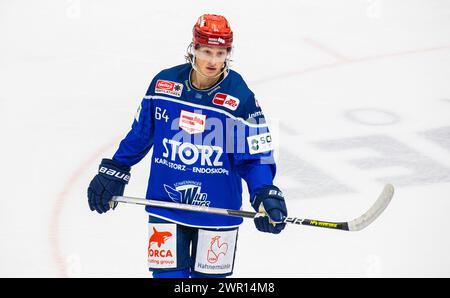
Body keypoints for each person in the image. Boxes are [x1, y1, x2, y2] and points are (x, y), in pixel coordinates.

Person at [87, 14, 288, 278]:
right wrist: (115, 168)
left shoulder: (241, 97)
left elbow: (254, 156)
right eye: (207, 51)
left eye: (220, 52)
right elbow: (141, 133)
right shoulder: (163, 85)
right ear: (193, 49)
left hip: (218, 213)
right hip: (166, 206)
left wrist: (264, 192)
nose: (213, 61)